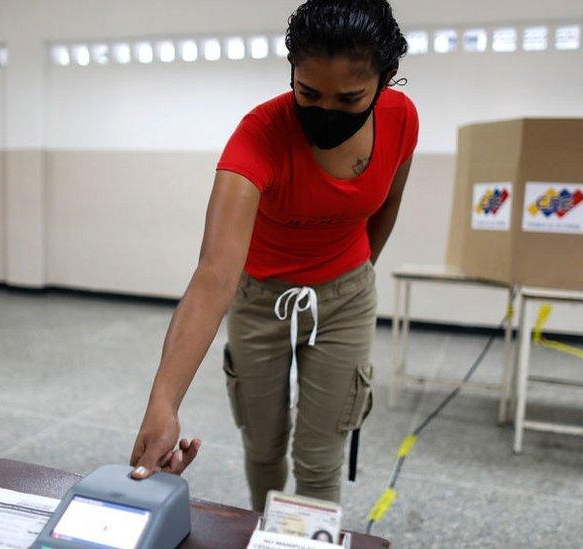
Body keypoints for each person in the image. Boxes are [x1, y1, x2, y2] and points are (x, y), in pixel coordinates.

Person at [130, 0, 418, 512]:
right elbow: (215, 274)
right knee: (262, 446)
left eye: (349, 98)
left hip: (346, 296)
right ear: (291, 73)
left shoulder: (401, 119)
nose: (325, 110)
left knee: (319, 453)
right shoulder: (259, 136)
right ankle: (266, 529)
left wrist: (352, 278)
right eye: (308, 92)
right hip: (261, 297)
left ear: (385, 79)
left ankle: (310, 545)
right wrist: (164, 401)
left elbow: (388, 204)